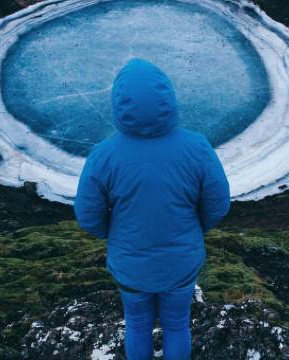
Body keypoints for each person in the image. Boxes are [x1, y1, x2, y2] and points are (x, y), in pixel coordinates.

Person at [74, 58, 231, 360]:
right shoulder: (197, 147)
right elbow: (218, 205)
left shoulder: (103, 155)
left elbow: (88, 216)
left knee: (136, 324)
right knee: (176, 325)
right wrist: (193, 229)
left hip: (130, 265)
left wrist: (116, 233)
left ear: (119, 102)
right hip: (181, 263)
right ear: (168, 99)